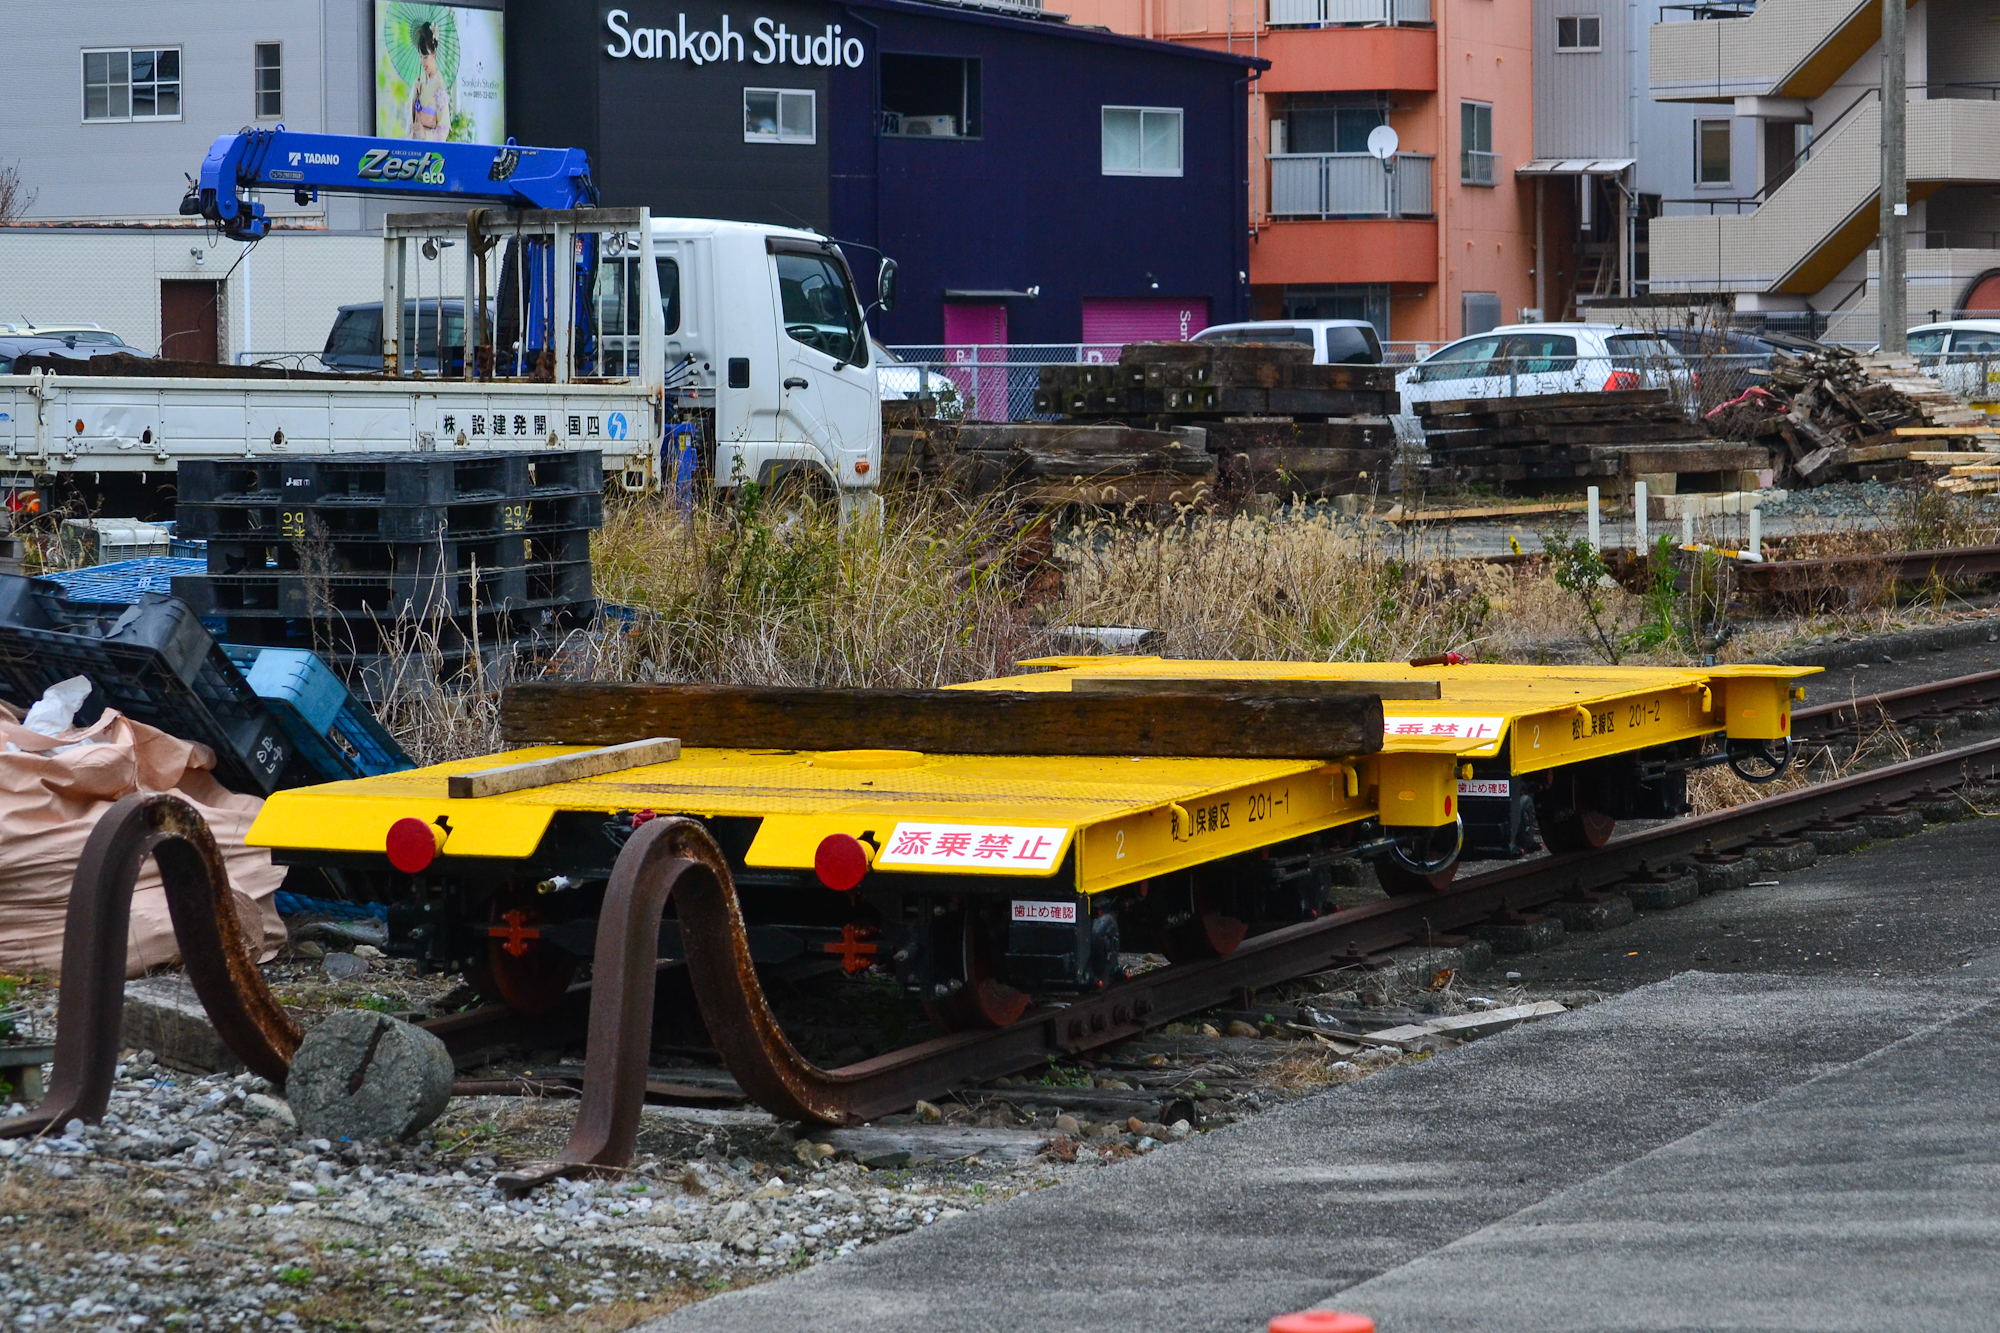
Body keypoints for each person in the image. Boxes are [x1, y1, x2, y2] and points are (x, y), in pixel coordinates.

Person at [408, 22, 449, 141]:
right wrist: (414, 93)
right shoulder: (419, 81)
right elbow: (409, 115)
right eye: (420, 56)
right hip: (414, 141)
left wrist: (425, 134)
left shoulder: (440, 88)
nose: (422, 61)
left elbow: (444, 129)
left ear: (434, 54)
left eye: (425, 57)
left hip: (428, 147)